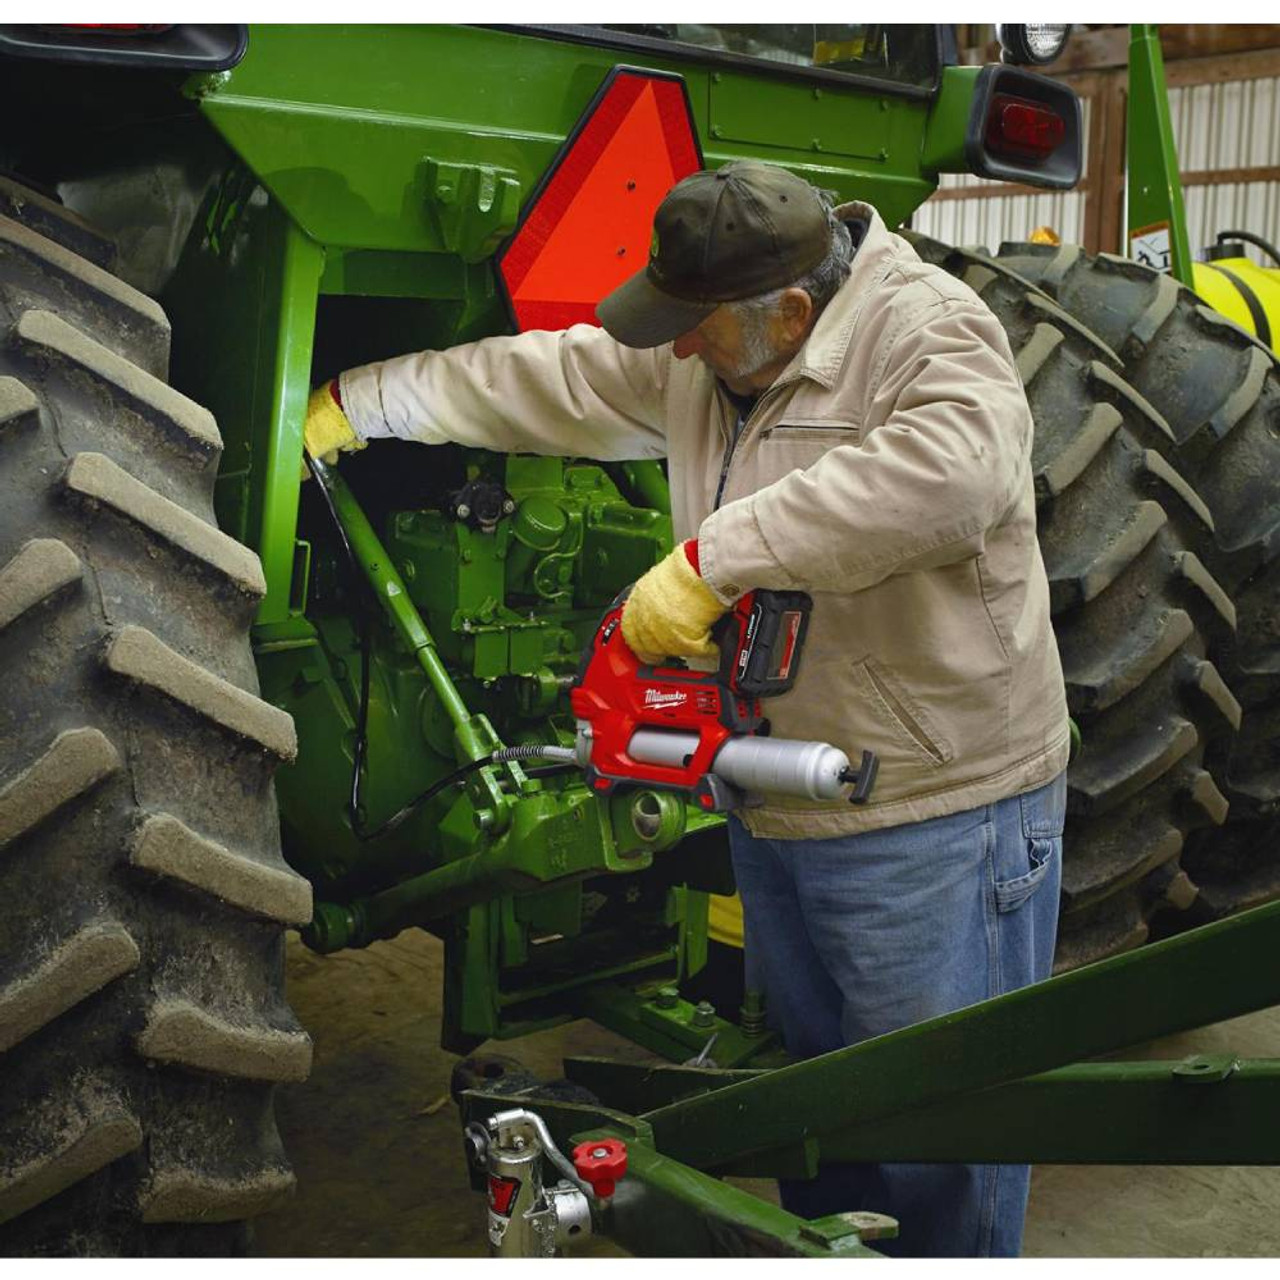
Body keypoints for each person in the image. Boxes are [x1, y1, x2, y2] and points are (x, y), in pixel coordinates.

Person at [304, 160, 1070, 1257]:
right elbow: (554, 376)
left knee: (937, 1128)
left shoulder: (928, 332)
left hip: (932, 814)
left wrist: (711, 563)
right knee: (825, 1113)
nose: (670, 349)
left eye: (690, 326)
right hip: (781, 796)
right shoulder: (717, 356)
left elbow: (950, 475)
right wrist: (359, 401)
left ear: (791, 314)